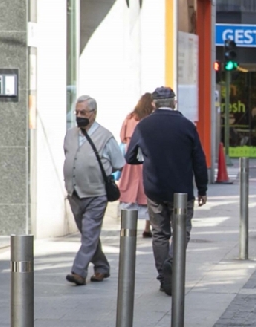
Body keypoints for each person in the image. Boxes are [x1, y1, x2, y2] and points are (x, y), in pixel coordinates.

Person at [125, 86, 208, 294]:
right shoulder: (187, 125)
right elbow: (199, 159)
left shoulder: (144, 126)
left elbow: (130, 156)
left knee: (159, 233)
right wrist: (203, 188)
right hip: (181, 190)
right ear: (174, 103)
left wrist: (148, 158)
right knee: (182, 231)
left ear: (154, 104)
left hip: (155, 188)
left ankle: (164, 277)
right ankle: (172, 262)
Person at [63, 95, 126, 286]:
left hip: (97, 193)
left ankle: (78, 271)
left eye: (83, 112)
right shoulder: (70, 134)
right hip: (75, 193)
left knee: (89, 233)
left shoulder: (106, 137)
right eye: (77, 112)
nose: (79, 116)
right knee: (88, 235)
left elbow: (118, 163)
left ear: (94, 113)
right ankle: (101, 267)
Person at [119, 92, 154, 238]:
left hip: (130, 162)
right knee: (147, 194)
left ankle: (127, 227)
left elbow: (122, 138)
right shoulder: (150, 120)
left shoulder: (129, 118)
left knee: (129, 193)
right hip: (145, 160)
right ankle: (147, 227)